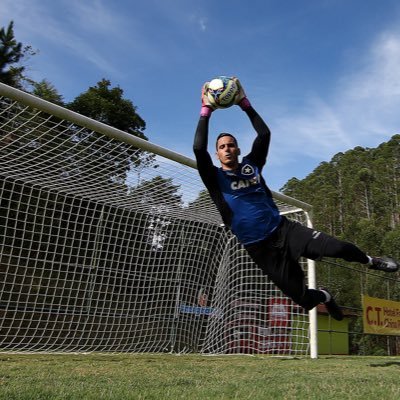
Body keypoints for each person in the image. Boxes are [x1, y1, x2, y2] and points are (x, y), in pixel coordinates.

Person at [193, 77, 399, 321]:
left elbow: (264, 133)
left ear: (238, 149)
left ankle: (371, 260)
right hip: (260, 248)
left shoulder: (252, 164)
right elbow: (198, 148)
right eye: (222, 147)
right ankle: (325, 296)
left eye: (231, 145)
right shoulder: (214, 178)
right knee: (303, 300)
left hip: (284, 231)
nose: (227, 148)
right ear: (217, 154)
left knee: (338, 247)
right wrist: (206, 110)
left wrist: (244, 103)